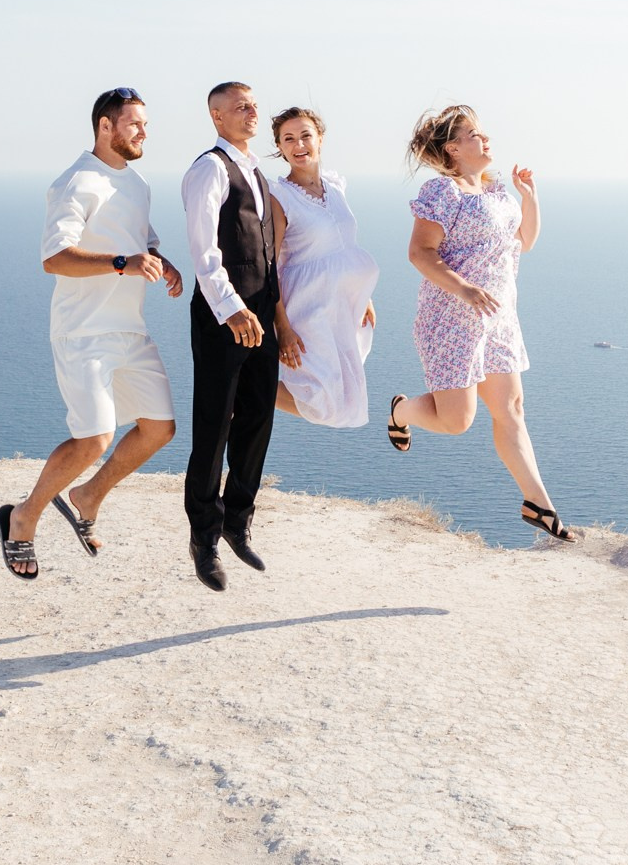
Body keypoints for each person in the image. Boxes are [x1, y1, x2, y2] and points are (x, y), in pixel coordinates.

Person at [0, 88, 184, 581]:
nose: (144, 133)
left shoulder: (138, 183)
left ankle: (87, 496)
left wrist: (161, 263)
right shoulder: (75, 182)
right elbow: (54, 258)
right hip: (83, 333)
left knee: (159, 429)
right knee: (93, 439)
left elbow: (141, 242)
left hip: (131, 330)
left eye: (145, 125)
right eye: (135, 124)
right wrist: (123, 263)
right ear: (105, 126)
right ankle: (23, 517)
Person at [385, 104, 578, 542]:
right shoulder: (443, 191)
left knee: (511, 409)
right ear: (453, 148)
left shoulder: (497, 193)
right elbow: (420, 253)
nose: (485, 138)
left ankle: (539, 504)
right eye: (474, 134)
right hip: (453, 318)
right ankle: (401, 410)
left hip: (499, 317)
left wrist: (529, 198)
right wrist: (465, 289)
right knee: (457, 421)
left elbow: (525, 242)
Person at [180, 80, 282, 591]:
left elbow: (266, 249)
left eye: (254, 105)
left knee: (258, 418)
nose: (251, 112)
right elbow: (205, 251)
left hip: (261, 313)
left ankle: (237, 521)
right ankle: (204, 537)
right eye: (241, 106)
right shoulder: (210, 169)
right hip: (226, 317)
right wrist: (231, 309)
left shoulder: (256, 171)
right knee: (214, 424)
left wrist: (272, 311)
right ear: (217, 116)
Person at [263, 107, 378, 428]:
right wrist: (282, 326)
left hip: (342, 304)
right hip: (306, 305)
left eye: (305, 136)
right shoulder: (279, 196)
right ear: (280, 147)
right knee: (321, 400)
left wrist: (363, 295)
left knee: (347, 397)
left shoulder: (336, 186)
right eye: (288, 139)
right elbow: (270, 263)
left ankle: (249, 388)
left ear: (320, 139)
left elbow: (344, 244)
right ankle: (248, 388)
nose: (299, 145)